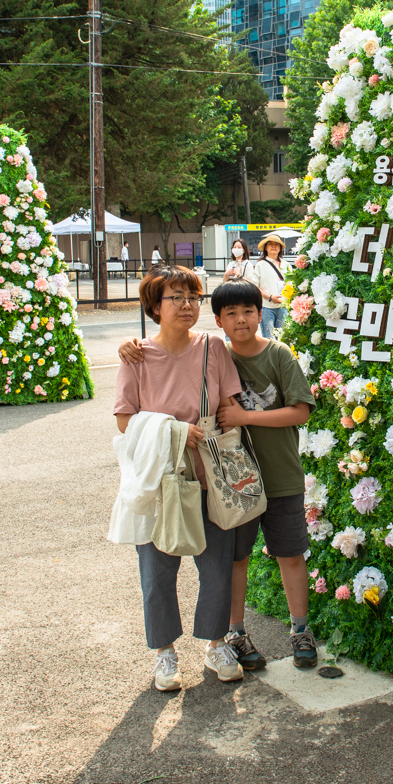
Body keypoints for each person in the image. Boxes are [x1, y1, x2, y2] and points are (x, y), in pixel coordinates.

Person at [120, 280, 319, 669]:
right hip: (216, 479)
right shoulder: (206, 352)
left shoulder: (261, 353)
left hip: (266, 476)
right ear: (219, 320)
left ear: (261, 314)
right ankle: (225, 636)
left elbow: (295, 410)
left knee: (280, 555)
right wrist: (131, 345)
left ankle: (292, 631)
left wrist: (244, 417)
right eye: (231, 313)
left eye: (248, 311)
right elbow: (127, 415)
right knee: (224, 561)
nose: (241, 320)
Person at [113, 264, 247, 692]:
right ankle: (164, 652)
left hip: (211, 476)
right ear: (155, 306)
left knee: (217, 569)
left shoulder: (212, 347)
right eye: (176, 297)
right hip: (161, 481)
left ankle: (215, 644)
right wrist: (172, 430)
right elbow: (124, 421)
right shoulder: (136, 356)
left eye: (193, 297)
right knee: (157, 573)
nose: (187, 305)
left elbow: (229, 404)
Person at [247, 232, 289, 339]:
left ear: (280, 248)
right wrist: (270, 297)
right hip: (266, 307)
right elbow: (254, 286)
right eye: (270, 244)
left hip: (283, 307)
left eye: (276, 244)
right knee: (269, 339)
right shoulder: (260, 265)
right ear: (265, 247)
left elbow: (291, 284)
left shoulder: (286, 264)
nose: (273, 246)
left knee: (283, 338)